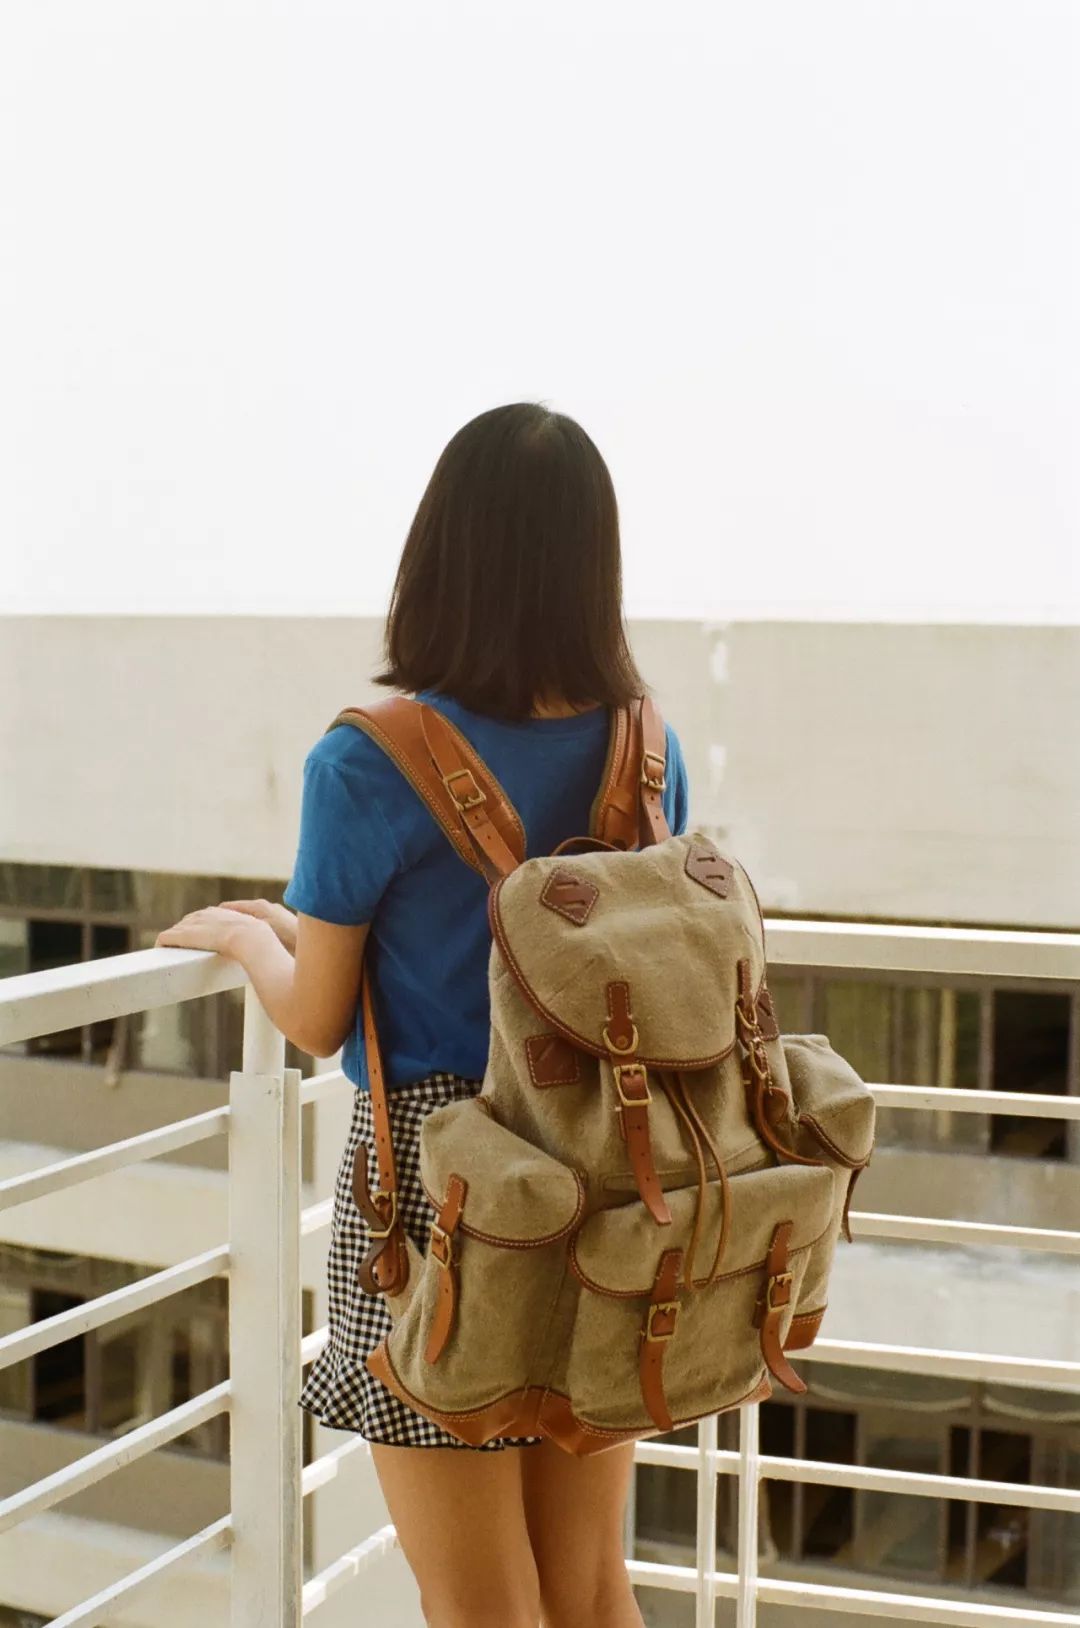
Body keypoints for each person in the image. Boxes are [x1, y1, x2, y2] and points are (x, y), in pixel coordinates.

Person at [155, 401, 690, 1628]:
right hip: (609, 1170)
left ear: (440, 553)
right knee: (590, 1592)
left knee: (481, 1604)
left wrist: (250, 936)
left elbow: (316, 1016)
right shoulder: (647, 746)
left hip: (437, 1190)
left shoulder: (366, 762)